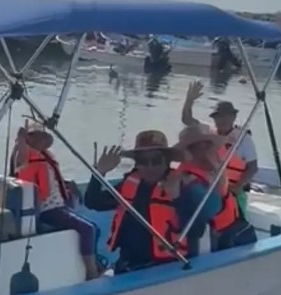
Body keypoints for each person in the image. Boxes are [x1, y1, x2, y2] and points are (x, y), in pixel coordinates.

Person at [84, 130, 216, 273]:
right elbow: (93, 202)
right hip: (129, 265)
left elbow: (197, 231)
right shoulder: (129, 184)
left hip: (168, 267)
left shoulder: (184, 186)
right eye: (143, 161)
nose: (150, 167)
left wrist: (177, 198)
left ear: (167, 161)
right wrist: (99, 173)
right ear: (136, 163)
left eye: (156, 160)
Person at [13, 123, 100, 280]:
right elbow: (21, 163)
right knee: (88, 229)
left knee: (95, 227)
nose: (40, 141)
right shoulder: (25, 156)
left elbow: (50, 179)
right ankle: (91, 271)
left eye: (42, 137)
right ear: (28, 139)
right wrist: (20, 140)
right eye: (35, 136)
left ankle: (96, 261)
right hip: (47, 210)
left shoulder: (45, 156)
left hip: (58, 205)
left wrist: (67, 184)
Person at [181, 80, 258, 216]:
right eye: (218, 116)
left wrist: (237, 187)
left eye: (226, 116)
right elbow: (187, 120)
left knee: (230, 218)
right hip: (208, 186)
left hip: (232, 189)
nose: (221, 120)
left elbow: (253, 167)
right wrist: (189, 101)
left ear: (233, 117)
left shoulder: (243, 139)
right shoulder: (209, 131)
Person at [176, 124, 257, 251]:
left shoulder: (216, 166)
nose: (211, 148)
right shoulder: (187, 178)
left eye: (210, 144)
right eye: (204, 145)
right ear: (189, 151)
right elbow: (212, 208)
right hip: (211, 237)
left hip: (233, 228)